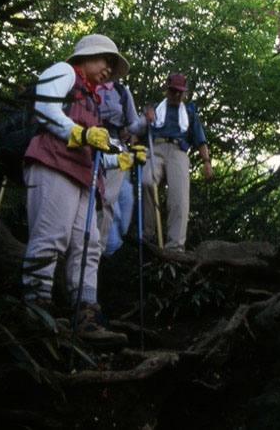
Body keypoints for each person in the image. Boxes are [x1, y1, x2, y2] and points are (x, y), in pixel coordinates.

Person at [21, 34, 140, 346]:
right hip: (53, 164)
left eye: (112, 67)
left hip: (84, 177)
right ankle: (35, 310)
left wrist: (122, 159)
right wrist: (78, 132)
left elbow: (94, 147)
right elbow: (45, 107)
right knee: (51, 235)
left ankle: (85, 314)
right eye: (106, 62)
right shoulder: (63, 72)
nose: (109, 71)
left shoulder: (92, 99)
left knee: (88, 246)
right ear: (87, 55)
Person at [142, 73, 213, 252]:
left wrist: (206, 162)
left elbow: (200, 140)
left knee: (179, 197)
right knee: (146, 181)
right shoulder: (156, 109)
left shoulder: (189, 113)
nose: (177, 95)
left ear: (185, 93)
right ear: (167, 90)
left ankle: (175, 245)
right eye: (174, 91)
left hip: (178, 151)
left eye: (181, 92)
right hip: (155, 148)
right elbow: (138, 128)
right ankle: (148, 233)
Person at [95, 80, 146, 255]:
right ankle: (100, 247)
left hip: (117, 148)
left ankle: (107, 245)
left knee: (123, 199)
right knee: (105, 200)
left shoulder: (121, 91)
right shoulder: (87, 85)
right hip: (92, 145)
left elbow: (132, 123)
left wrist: (145, 122)